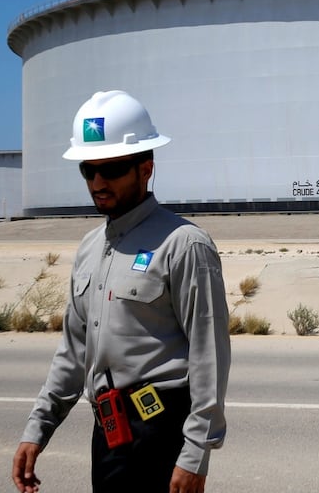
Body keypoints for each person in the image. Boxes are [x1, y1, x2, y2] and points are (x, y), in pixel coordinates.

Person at [12, 90, 231, 493]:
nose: (97, 182)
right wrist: (37, 427)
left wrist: (196, 451)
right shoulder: (90, 248)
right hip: (110, 434)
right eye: (87, 170)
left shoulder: (184, 244)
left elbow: (209, 354)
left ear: (145, 167)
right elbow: (74, 351)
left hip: (163, 434)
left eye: (110, 169)